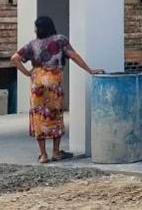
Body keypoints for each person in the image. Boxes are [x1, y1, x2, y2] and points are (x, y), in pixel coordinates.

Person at [11, 16, 104, 162]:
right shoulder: (60, 40)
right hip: (53, 82)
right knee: (55, 115)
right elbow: (73, 55)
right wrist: (90, 70)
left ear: (38, 29)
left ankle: (43, 155)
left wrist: (28, 73)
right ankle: (56, 152)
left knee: (39, 115)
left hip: (37, 83)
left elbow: (14, 58)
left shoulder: (32, 44)